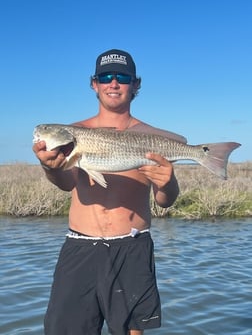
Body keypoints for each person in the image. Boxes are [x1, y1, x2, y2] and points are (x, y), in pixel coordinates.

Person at [33, 49, 183, 335]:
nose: (113, 84)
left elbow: (165, 202)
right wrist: (50, 167)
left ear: (135, 84)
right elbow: (66, 183)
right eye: (105, 77)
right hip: (79, 248)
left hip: (132, 248)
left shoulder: (154, 138)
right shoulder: (74, 132)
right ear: (94, 84)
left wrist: (167, 183)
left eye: (122, 77)